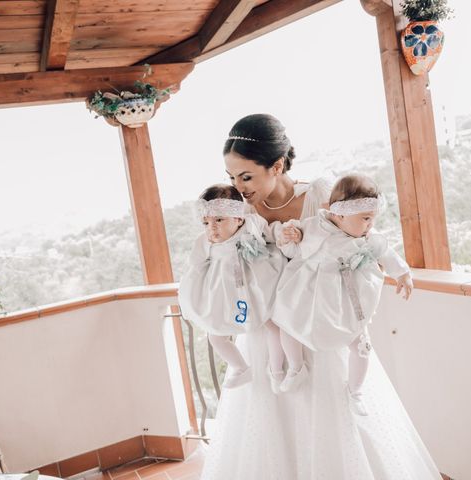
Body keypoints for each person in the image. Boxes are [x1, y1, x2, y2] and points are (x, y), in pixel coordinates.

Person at [200, 113, 442, 480]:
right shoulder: (240, 211)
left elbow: (357, 237)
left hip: (321, 320)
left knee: (332, 414)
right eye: (231, 177)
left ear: (277, 165)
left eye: (246, 176)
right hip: (272, 327)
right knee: (272, 421)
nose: (238, 186)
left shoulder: (319, 193)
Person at [273, 173, 413, 415]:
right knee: (287, 323)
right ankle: (296, 366)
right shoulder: (316, 227)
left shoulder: (367, 237)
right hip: (311, 290)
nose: (370, 225)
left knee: (360, 344)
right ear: (339, 214)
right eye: (365, 218)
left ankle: (355, 391)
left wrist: (402, 274)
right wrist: (291, 235)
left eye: (372, 219)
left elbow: (386, 252)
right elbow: (293, 246)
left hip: (347, 297)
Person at [178, 184, 287, 389]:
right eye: (206, 222)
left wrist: (284, 232)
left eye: (219, 220)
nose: (212, 227)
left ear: (238, 218)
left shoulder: (252, 226)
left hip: (257, 287)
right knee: (215, 335)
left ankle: (277, 370)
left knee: (273, 326)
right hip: (225, 294)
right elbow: (195, 265)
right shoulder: (205, 242)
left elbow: (271, 233)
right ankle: (240, 367)